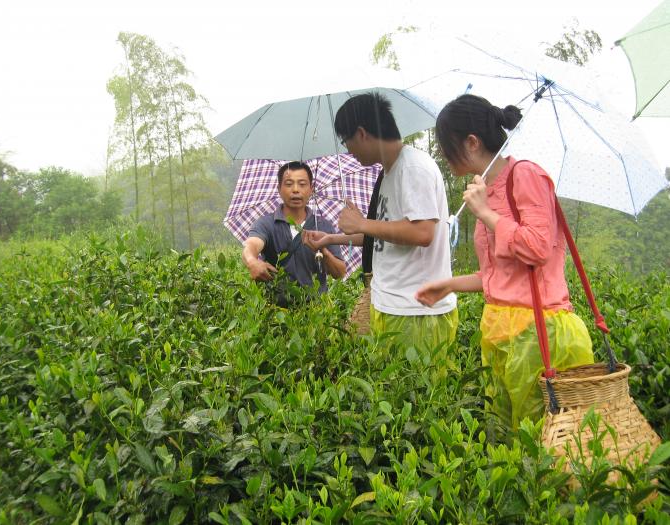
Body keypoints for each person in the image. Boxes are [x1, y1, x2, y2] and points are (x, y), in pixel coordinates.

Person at [415, 94, 594, 432]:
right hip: (499, 329)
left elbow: (539, 248)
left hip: (540, 332)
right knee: (505, 439)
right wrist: (449, 285)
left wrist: (486, 213)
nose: (442, 153)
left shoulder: (525, 175)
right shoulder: (486, 188)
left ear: (471, 142)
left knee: (544, 440)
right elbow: (498, 275)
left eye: (445, 145)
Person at [303, 92, 458, 354]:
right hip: (392, 304)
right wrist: (331, 239)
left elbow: (422, 232)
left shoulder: (412, 168)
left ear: (362, 133)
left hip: (415, 311)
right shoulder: (389, 172)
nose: (348, 151)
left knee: (416, 394)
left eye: (347, 141)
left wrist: (363, 223)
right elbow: (385, 234)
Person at [242, 161, 346, 305]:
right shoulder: (266, 224)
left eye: (302, 184)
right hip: (274, 313)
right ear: (279, 189)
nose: (295, 190)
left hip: (316, 316)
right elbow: (251, 245)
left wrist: (323, 250)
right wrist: (252, 262)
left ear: (311, 189)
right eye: (289, 184)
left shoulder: (323, 226)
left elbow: (339, 273)